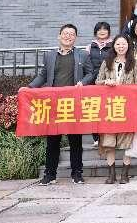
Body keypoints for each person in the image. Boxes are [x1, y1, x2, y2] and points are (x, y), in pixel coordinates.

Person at [31, 24, 95, 185]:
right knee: (52, 141)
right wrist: (29, 88)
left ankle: (77, 173)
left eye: (71, 34)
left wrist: (83, 82)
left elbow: (91, 73)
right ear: (59, 36)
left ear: (76, 38)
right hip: (54, 104)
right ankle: (50, 174)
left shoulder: (83, 55)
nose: (68, 36)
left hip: (74, 104)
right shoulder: (49, 56)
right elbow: (43, 75)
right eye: (65, 33)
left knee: (75, 141)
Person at [96, 35, 137, 184]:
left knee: (127, 141)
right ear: (114, 46)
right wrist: (106, 82)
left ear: (128, 46)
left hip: (128, 107)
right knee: (109, 141)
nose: (121, 46)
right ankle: (111, 174)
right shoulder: (107, 62)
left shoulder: (135, 64)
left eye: (124, 44)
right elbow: (97, 82)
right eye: (118, 44)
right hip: (109, 107)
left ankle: (125, 174)